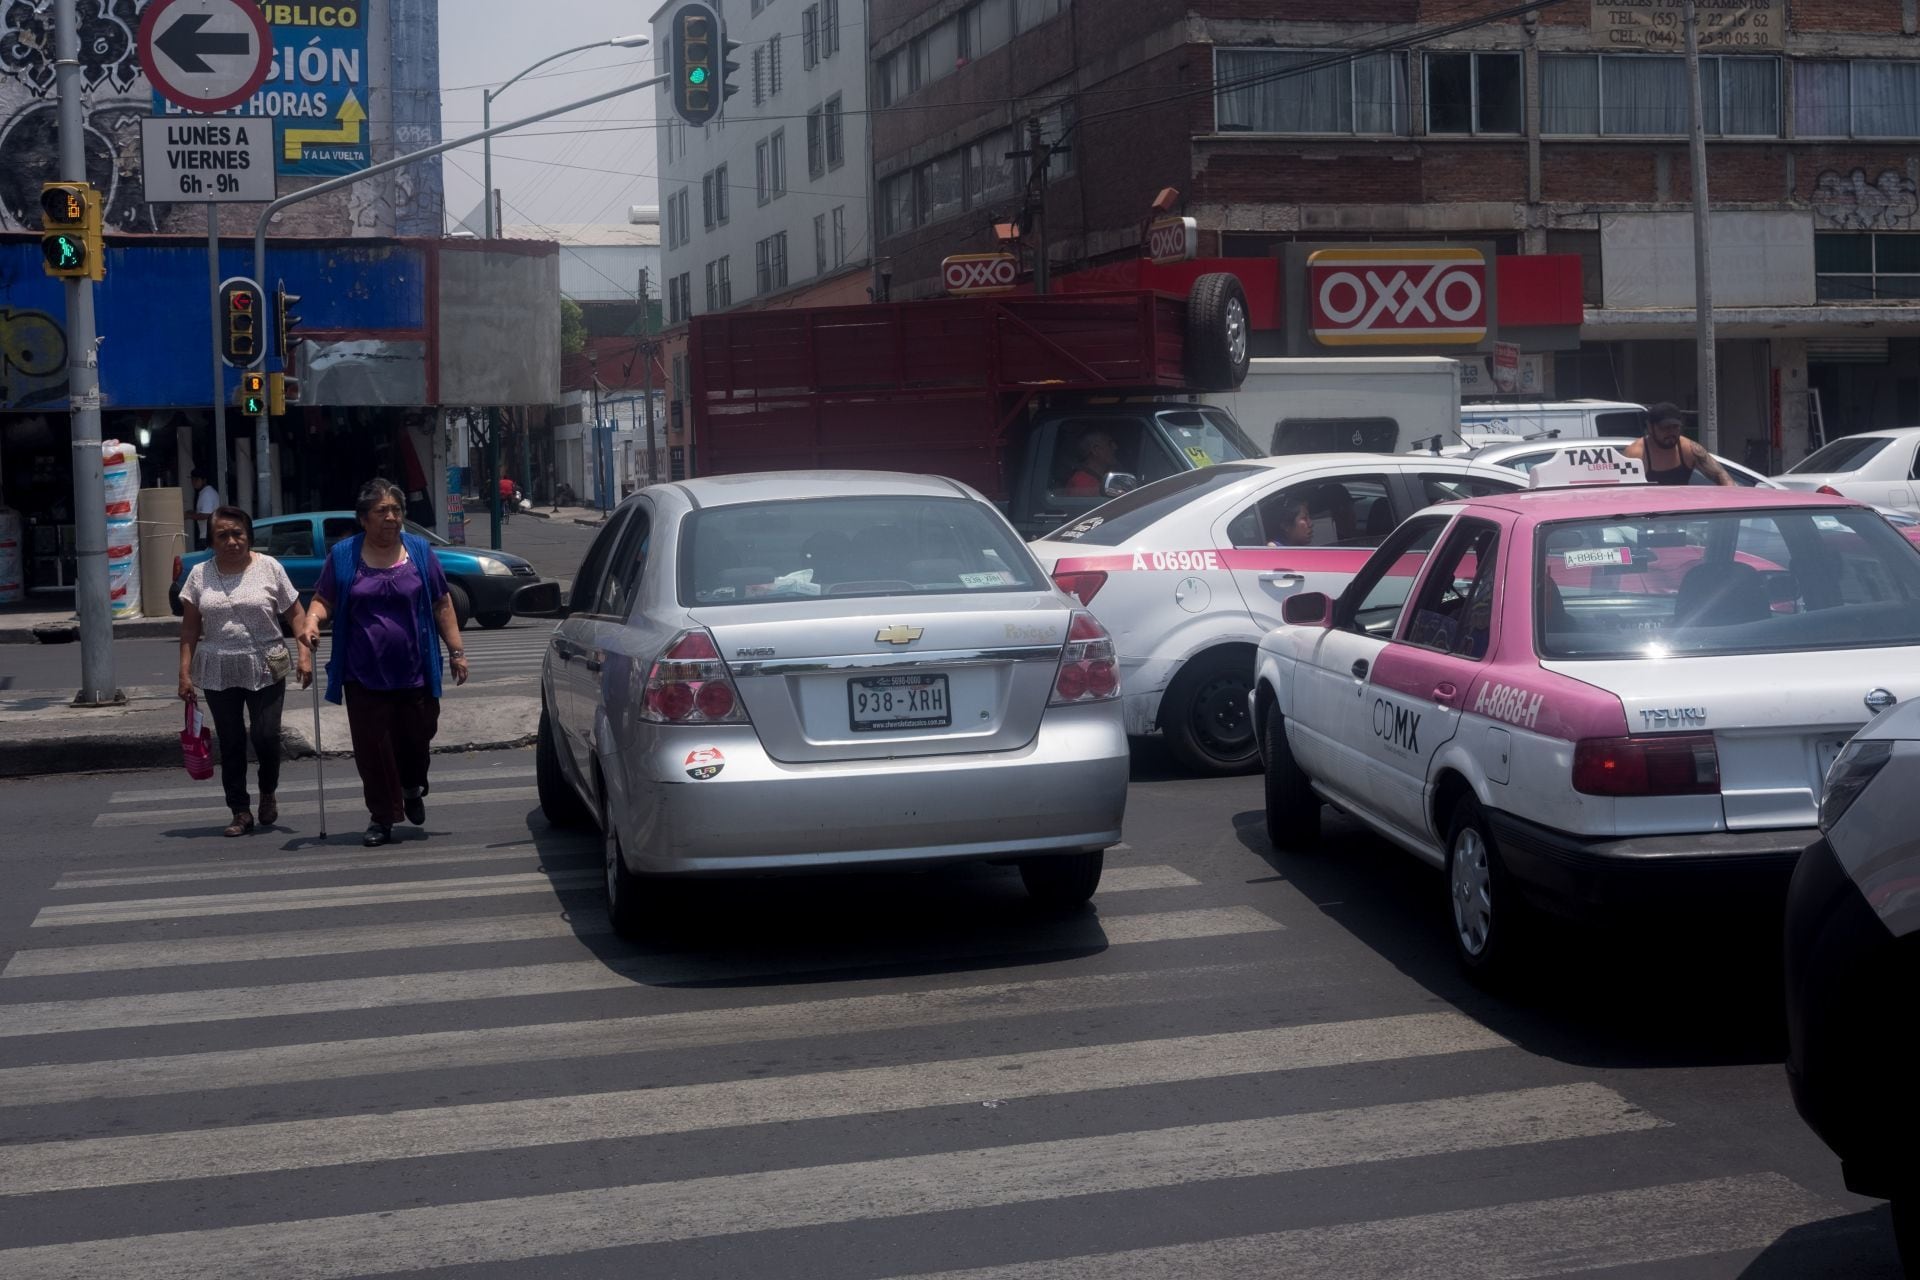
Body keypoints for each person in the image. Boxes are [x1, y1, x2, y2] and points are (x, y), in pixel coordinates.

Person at [299, 479, 470, 847]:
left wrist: (456, 651)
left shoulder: (421, 552)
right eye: (382, 511)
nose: (391, 518)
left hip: (416, 670)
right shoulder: (344, 555)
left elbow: (441, 603)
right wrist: (312, 622)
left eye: (396, 510)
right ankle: (382, 817)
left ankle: (412, 787)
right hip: (363, 673)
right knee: (373, 749)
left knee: (418, 738)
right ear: (363, 519)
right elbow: (323, 599)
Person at [177, 506, 312, 837]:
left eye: (238, 533)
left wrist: (304, 654)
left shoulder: (269, 568)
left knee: (266, 736)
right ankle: (239, 810)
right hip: (218, 667)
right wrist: (184, 673)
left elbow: (296, 614)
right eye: (222, 535)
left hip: (266, 664)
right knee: (232, 740)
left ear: (249, 536)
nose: (232, 541)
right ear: (211, 540)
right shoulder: (199, 575)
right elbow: (190, 629)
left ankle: (268, 791)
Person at [1623, 403, 1736, 487]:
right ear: (1650, 427)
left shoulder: (1689, 449)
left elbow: (1722, 476)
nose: (1671, 433)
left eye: (1675, 427)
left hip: (1681, 514)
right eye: (1665, 428)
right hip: (1649, 515)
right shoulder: (1636, 454)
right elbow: (1626, 493)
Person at [1065, 431, 1120, 496]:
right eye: (1110, 444)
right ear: (1096, 450)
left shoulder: (1100, 478)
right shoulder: (1082, 484)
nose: (1115, 447)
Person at [189, 469, 220, 550]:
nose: (194, 482)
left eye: (197, 479)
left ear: (204, 480)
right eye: (192, 479)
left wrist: (189, 516)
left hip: (207, 535)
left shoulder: (207, 494)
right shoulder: (206, 492)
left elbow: (207, 514)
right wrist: (193, 513)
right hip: (208, 534)